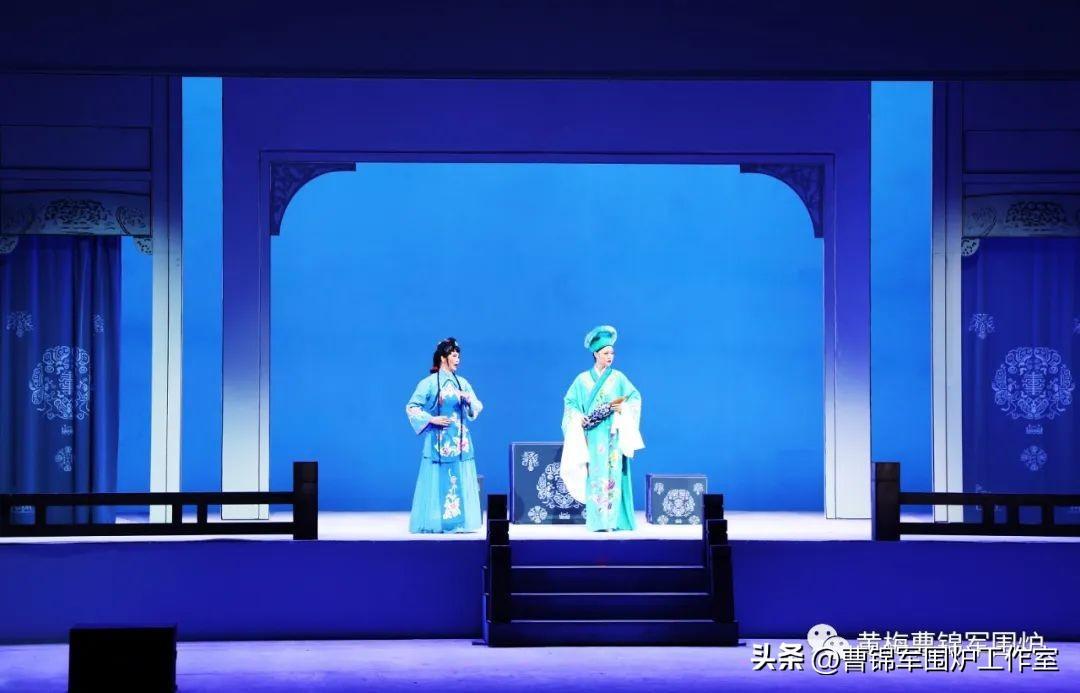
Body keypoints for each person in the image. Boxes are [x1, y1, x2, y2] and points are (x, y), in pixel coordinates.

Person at [561, 325, 644, 531]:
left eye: (612, 353)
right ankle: (598, 521)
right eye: (606, 353)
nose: (610, 357)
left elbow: (634, 398)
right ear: (596, 354)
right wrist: (578, 417)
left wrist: (623, 408)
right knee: (596, 474)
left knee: (614, 472)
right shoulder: (582, 380)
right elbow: (570, 403)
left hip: (613, 433)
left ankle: (614, 520)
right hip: (593, 434)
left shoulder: (618, 378)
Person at [405, 337, 483, 533]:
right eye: (454, 356)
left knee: (459, 479)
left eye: (459, 356)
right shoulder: (429, 383)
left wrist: (468, 400)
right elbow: (412, 407)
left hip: (460, 440)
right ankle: (437, 523)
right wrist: (431, 419)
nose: (458, 360)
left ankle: (460, 522)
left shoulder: (462, 383)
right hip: (438, 440)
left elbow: (478, 406)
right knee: (438, 480)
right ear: (443, 357)